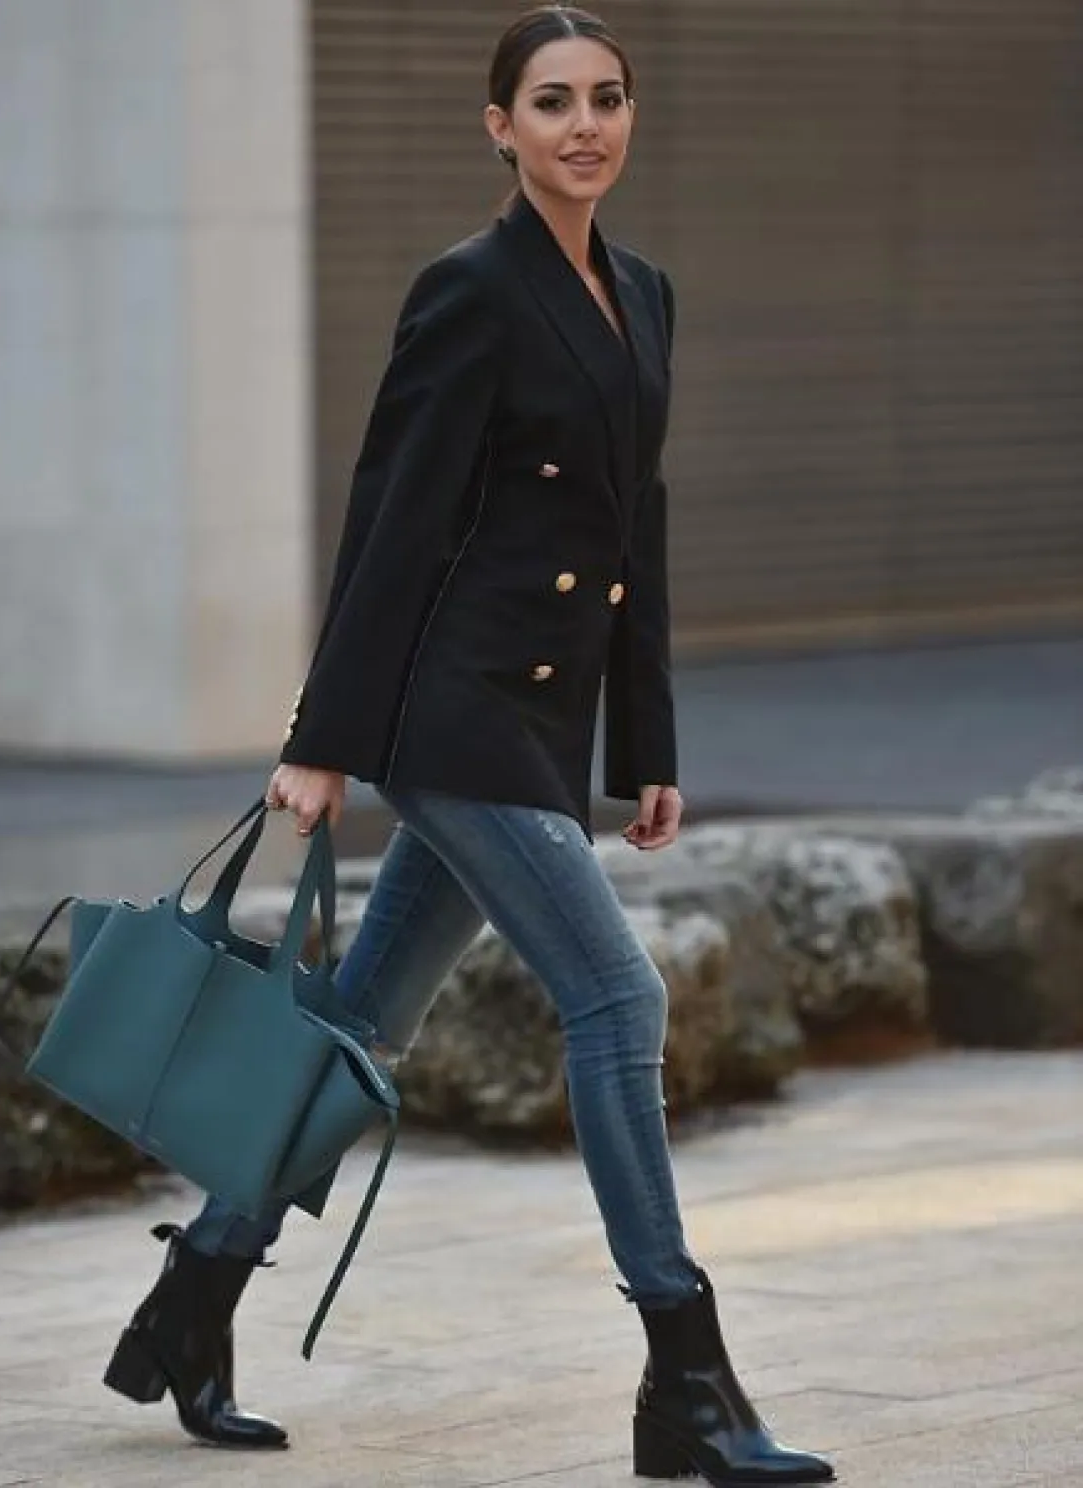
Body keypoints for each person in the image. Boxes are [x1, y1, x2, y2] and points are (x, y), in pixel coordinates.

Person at [101, 6, 835, 1482]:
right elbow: (396, 517)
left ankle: (193, 1298)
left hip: (541, 723)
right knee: (617, 999)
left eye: (607, 98)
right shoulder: (469, 289)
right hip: (450, 715)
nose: (585, 125)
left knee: (362, 1023)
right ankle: (686, 1378)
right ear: (501, 127)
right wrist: (322, 736)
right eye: (552, 102)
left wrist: (647, 738)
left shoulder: (644, 292)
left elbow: (633, 525)